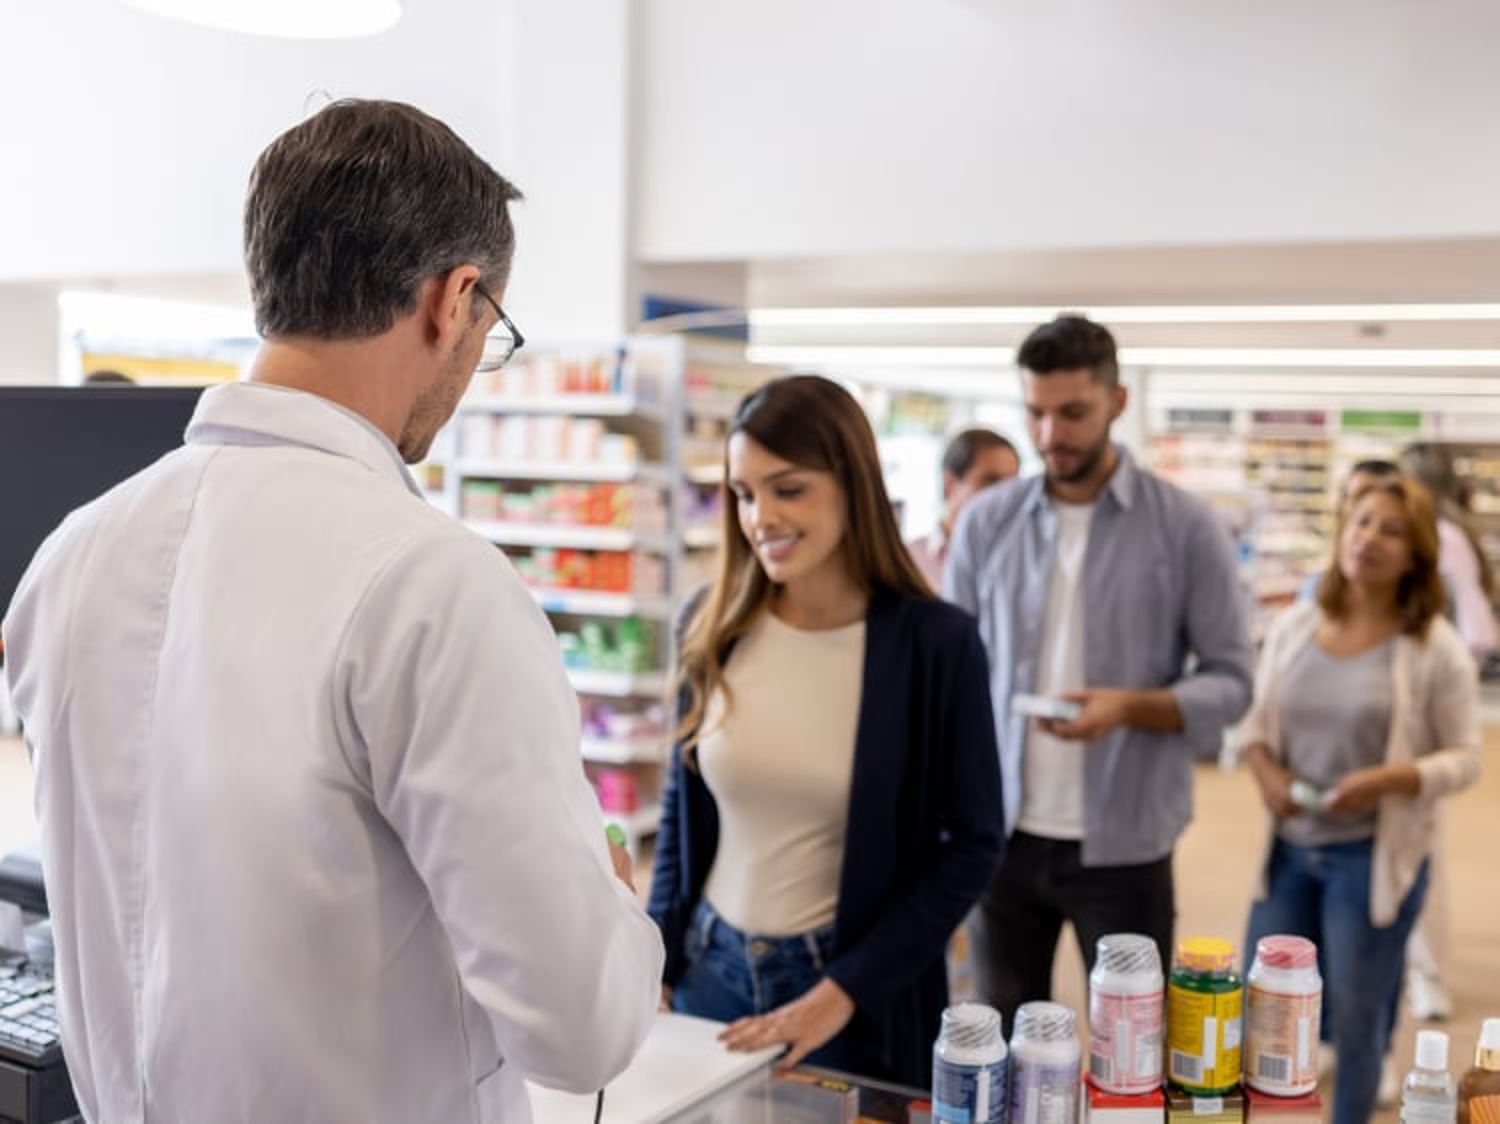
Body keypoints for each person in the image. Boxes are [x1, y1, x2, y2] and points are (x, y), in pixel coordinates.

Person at [2, 99, 663, 1123]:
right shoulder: (433, 586)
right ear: (455, 300)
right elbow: (578, 1029)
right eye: (490, 331)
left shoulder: (71, 555)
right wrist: (611, 904)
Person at [648, 375, 1005, 1086]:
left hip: (847, 999)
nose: (760, 518)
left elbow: (974, 844)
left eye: (788, 490)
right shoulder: (710, 624)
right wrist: (652, 955)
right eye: (745, 494)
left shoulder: (935, 645)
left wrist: (841, 993)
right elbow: (681, 809)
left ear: (852, 484)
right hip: (706, 975)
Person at [945, 313, 1253, 1030]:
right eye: (1036, 413)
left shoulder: (1185, 527)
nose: (1051, 435)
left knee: (1132, 1049)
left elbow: (1234, 681)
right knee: (1005, 1041)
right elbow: (952, 676)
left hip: (1126, 842)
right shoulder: (988, 523)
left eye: (1074, 412)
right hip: (1002, 833)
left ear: (1118, 402)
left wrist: (1130, 708)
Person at [1236, 475, 1480, 1124]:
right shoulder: (1297, 625)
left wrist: (1390, 778)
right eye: (1362, 522)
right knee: (1260, 1009)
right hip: (1288, 853)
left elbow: (1466, 757)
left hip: (1370, 861)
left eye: (1391, 530)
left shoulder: (1433, 650)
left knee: (1358, 1020)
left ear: (1417, 555)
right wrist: (1266, 774)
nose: (1369, 538)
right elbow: (1255, 727)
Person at [1397, 442, 1496, 1027]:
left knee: (1421, 842)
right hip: (1403, 701)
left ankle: (1426, 974)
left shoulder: (1443, 537)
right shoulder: (1429, 532)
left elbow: (1477, 628)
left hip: (1426, 708)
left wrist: (1443, 668)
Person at [907, 427, 1020, 589]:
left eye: (1012, 485)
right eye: (991, 482)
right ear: (950, 483)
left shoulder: (1019, 563)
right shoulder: (908, 561)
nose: (1005, 496)